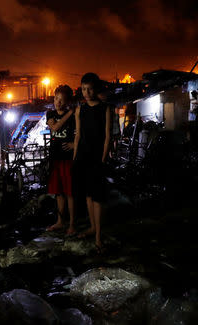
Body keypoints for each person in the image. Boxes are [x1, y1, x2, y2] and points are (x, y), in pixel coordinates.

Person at [73, 73, 111, 253]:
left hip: (97, 158)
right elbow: (78, 135)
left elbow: (107, 137)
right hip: (83, 157)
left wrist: (103, 159)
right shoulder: (81, 109)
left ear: (96, 89)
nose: (86, 92)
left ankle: (98, 237)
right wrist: (75, 157)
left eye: (89, 88)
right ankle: (92, 228)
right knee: (88, 195)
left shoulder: (105, 109)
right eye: (83, 89)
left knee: (98, 197)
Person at [45, 85, 77, 235]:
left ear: (67, 102)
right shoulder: (50, 114)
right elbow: (55, 128)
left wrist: (74, 144)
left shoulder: (74, 116)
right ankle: (60, 221)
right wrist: (69, 113)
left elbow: (79, 134)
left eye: (62, 100)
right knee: (59, 192)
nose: (58, 102)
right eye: (56, 99)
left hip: (68, 159)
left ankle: (72, 224)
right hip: (55, 158)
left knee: (70, 192)